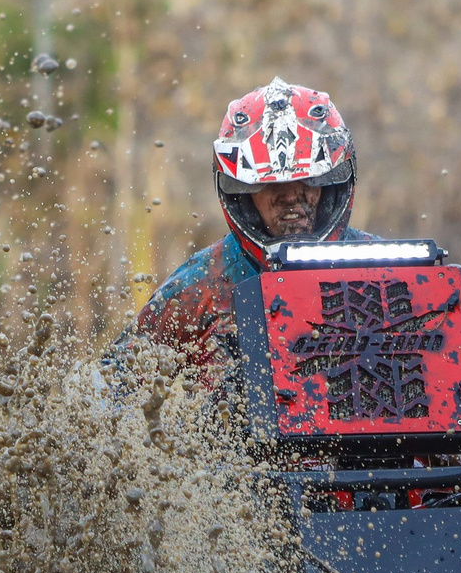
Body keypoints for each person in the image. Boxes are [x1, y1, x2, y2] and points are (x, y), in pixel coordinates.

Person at [132, 76, 368, 369]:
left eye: (308, 180)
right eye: (270, 186)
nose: (291, 196)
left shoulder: (384, 269)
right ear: (242, 194)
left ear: (331, 184)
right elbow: (109, 382)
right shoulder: (201, 285)